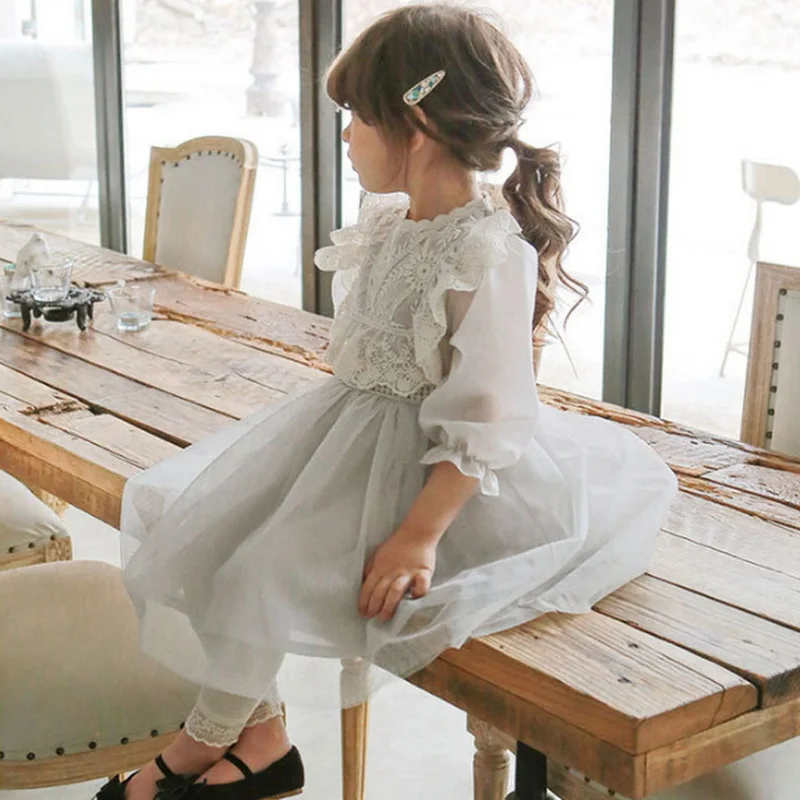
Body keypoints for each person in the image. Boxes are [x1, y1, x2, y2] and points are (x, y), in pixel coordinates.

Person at [98, 5, 677, 799]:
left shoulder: (485, 249)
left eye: (356, 116)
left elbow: (490, 412)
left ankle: (202, 743)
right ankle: (261, 737)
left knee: (259, 573)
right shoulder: (388, 224)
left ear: (419, 122)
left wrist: (417, 537)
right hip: (347, 437)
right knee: (184, 514)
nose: (345, 136)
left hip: (432, 481)